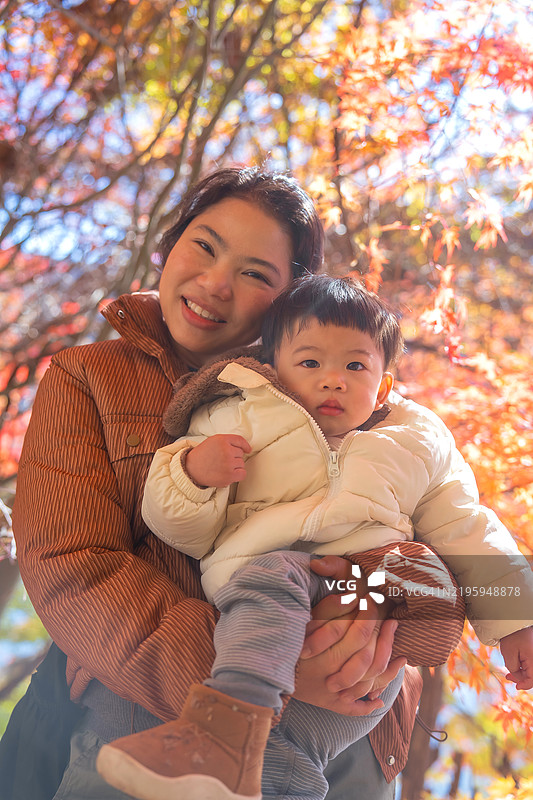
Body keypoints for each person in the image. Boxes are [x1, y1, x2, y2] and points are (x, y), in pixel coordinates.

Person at [3, 165, 531, 800]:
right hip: (170, 705)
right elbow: (74, 563)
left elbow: (464, 521)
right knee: (273, 581)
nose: (217, 282)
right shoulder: (134, 386)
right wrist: (268, 674)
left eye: (257, 272)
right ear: (171, 244)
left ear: (287, 300)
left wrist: (504, 610)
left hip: (355, 721)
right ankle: (231, 729)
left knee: (421, 575)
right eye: (204, 244)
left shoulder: (393, 423)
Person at [96, 275, 468, 800]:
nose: (333, 380)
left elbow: (467, 522)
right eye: (310, 362)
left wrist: (516, 616)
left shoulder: (415, 440)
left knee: (418, 570)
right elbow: (182, 531)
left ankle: (221, 733)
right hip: (266, 613)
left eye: (355, 366)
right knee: (280, 763)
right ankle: (228, 741)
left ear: (384, 384)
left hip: (376, 628)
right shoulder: (239, 412)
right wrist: (194, 474)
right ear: (275, 368)